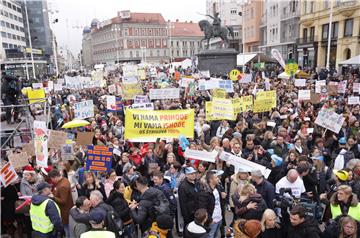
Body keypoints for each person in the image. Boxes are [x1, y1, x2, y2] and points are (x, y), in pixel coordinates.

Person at [48, 169, 74, 237]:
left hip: (65, 211)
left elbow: (63, 200)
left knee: (67, 229)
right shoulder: (63, 180)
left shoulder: (62, 186)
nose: (52, 181)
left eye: (52, 179)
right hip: (65, 210)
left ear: (55, 177)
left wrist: (53, 197)